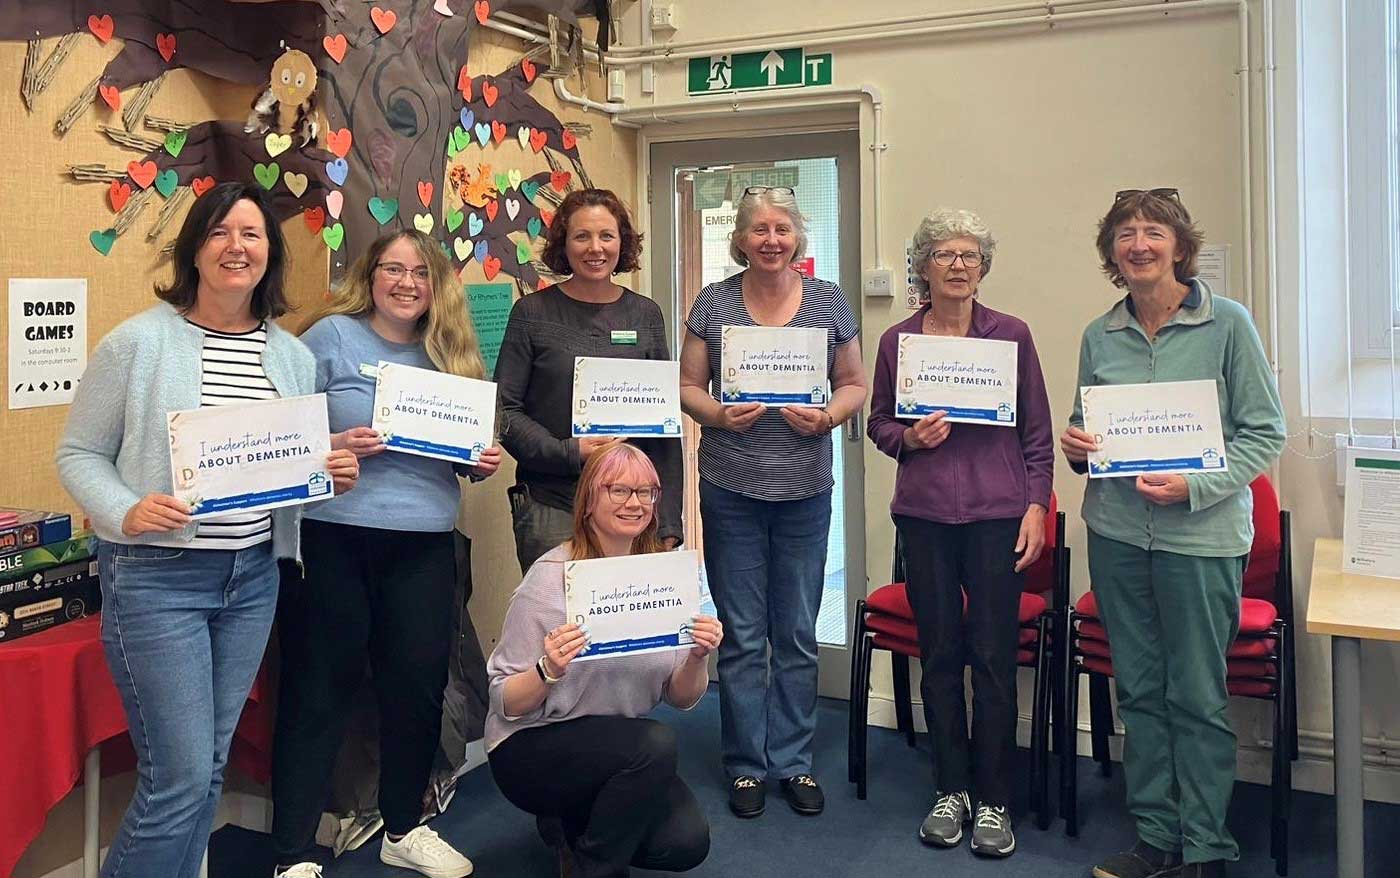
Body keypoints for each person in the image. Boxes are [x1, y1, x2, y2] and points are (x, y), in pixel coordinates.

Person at [55, 182, 360, 878]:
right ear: (195, 247)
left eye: (251, 235)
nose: (236, 247)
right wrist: (124, 509)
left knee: (209, 765)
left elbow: (283, 471)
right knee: (180, 779)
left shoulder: (291, 357)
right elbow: (78, 454)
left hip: (252, 578)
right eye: (220, 232)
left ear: (269, 255)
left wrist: (325, 475)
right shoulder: (138, 343)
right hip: (157, 578)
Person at [1061, 189, 1285, 878]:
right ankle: (1156, 837)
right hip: (1119, 534)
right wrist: (1078, 447)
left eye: (1152, 232)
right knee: (1140, 692)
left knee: (1196, 693)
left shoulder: (1229, 325)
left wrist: (1198, 485)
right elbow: (1084, 427)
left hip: (1202, 539)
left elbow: (1264, 432)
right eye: (1124, 235)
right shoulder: (1101, 335)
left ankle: (1207, 846)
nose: (1138, 245)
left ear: (1179, 247)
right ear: (1111, 254)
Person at [270, 229, 502, 878]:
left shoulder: (450, 354)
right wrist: (331, 443)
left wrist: (482, 461)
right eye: (392, 269)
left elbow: (471, 460)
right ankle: (291, 853)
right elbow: (280, 437)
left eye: (420, 273)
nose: (406, 283)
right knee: (318, 692)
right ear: (370, 277)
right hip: (334, 541)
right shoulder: (328, 340)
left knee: (417, 690)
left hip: (424, 547)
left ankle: (403, 825)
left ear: (437, 287)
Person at [867, 209, 1054, 857]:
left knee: (994, 661)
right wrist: (908, 438)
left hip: (999, 517)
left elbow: (1036, 433)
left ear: (983, 267)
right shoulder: (899, 342)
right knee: (941, 657)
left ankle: (996, 798)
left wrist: (1036, 507)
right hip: (924, 519)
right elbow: (879, 425)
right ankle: (951, 790)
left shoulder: (1013, 335)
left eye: (968, 255)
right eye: (943, 254)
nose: (956, 264)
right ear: (922, 265)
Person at [678, 185, 866, 818]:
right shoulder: (714, 302)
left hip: (805, 491)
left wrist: (830, 417)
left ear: (796, 238)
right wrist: (720, 415)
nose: (771, 240)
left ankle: (792, 762)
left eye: (781, 229)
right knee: (742, 634)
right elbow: (687, 385)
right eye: (759, 229)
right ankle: (745, 766)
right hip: (731, 488)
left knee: (797, 633)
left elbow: (854, 384)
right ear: (741, 238)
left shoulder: (829, 301)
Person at [486, 442, 721, 878]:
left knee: (686, 842)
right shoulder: (551, 576)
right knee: (656, 743)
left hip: (619, 751)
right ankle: (595, 868)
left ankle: (574, 826)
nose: (635, 503)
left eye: (647, 493)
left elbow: (682, 698)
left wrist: (697, 657)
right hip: (533, 745)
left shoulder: (671, 576)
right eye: (619, 490)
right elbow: (505, 701)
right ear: (589, 499)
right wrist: (547, 670)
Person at [496, 188, 682, 575]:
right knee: (557, 626)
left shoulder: (645, 315)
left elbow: (664, 427)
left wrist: (667, 522)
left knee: (626, 628)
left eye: (606, 236)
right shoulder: (531, 313)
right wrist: (567, 451)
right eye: (581, 236)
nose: (594, 248)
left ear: (622, 242)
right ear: (563, 244)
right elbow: (504, 410)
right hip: (553, 505)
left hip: (633, 511)